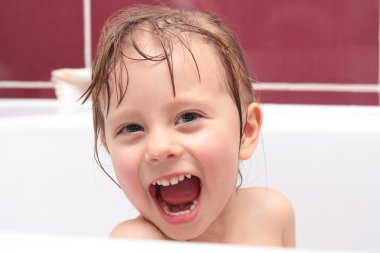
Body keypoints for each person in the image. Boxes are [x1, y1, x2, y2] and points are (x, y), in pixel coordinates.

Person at [81, 4, 295, 247]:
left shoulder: (273, 216)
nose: (159, 147)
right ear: (108, 146)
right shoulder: (135, 244)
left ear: (246, 131)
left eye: (188, 117)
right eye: (131, 128)